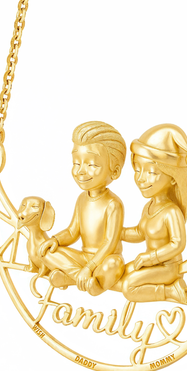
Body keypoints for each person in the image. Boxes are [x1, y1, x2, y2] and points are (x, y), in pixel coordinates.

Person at [39, 121, 126, 296]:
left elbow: (109, 243)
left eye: (92, 165)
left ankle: (77, 279)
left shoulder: (113, 204)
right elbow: (72, 232)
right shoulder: (81, 199)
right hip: (83, 258)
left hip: (103, 260)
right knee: (47, 253)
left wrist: (89, 267)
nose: (80, 171)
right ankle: (85, 280)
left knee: (114, 265)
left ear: (115, 171)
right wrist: (56, 240)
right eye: (76, 163)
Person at [121, 124, 187, 304]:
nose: (141, 178)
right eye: (137, 170)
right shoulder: (148, 207)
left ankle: (171, 290)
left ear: (173, 177)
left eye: (151, 172)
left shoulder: (171, 212)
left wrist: (150, 258)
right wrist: (118, 231)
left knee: (128, 287)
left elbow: (178, 244)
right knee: (119, 273)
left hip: (167, 268)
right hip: (150, 264)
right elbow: (140, 232)